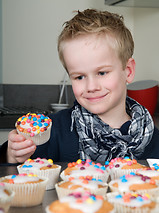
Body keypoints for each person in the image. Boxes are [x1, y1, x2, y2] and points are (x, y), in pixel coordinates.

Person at [1, 8, 159, 165]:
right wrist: (12, 156)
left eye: (102, 73)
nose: (91, 86)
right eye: (79, 77)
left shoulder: (153, 137)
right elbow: (18, 174)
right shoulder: (52, 130)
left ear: (129, 71)